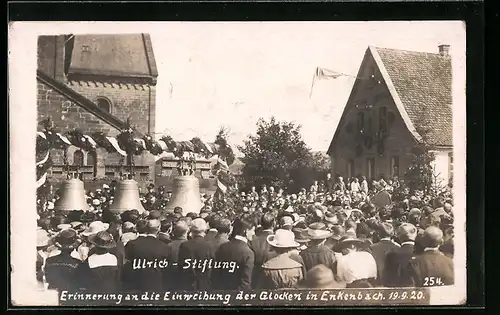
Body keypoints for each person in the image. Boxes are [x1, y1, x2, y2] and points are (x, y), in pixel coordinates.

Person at [123, 219, 169, 292]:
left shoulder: (132, 244)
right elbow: (167, 270)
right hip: (156, 287)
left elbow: (127, 264)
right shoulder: (164, 247)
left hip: (136, 285)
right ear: (158, 228)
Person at [213, 215, 255, 290]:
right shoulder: (248, 253)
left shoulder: (223, 247)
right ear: (246, 231)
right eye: (252, 230)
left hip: (221, 292)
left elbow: (216, 274)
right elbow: (245, 282)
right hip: (237, 296)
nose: (253, 233)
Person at [177, 218, 215, 291]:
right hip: (205, 284)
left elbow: (181, 266)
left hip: (187, 284)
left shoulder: (185, 245)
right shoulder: (209, 246)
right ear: (204, 230)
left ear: (191, 230)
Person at [383, 223, 418, 287]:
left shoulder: (391, 254)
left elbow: (387, 280)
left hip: (397, 293)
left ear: (398, 236)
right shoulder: (421, 253)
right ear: (415, 235)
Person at [249, 212, 275, 288]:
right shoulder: (276, 239)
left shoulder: (253, 239)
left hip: (255, 277)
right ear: (273, 224)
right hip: (271, 277)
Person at [164, 220, 189, 289]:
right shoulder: (190, 245)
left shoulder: (169, 246)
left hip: (171, 280)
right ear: (187, 231)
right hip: (187, 280)